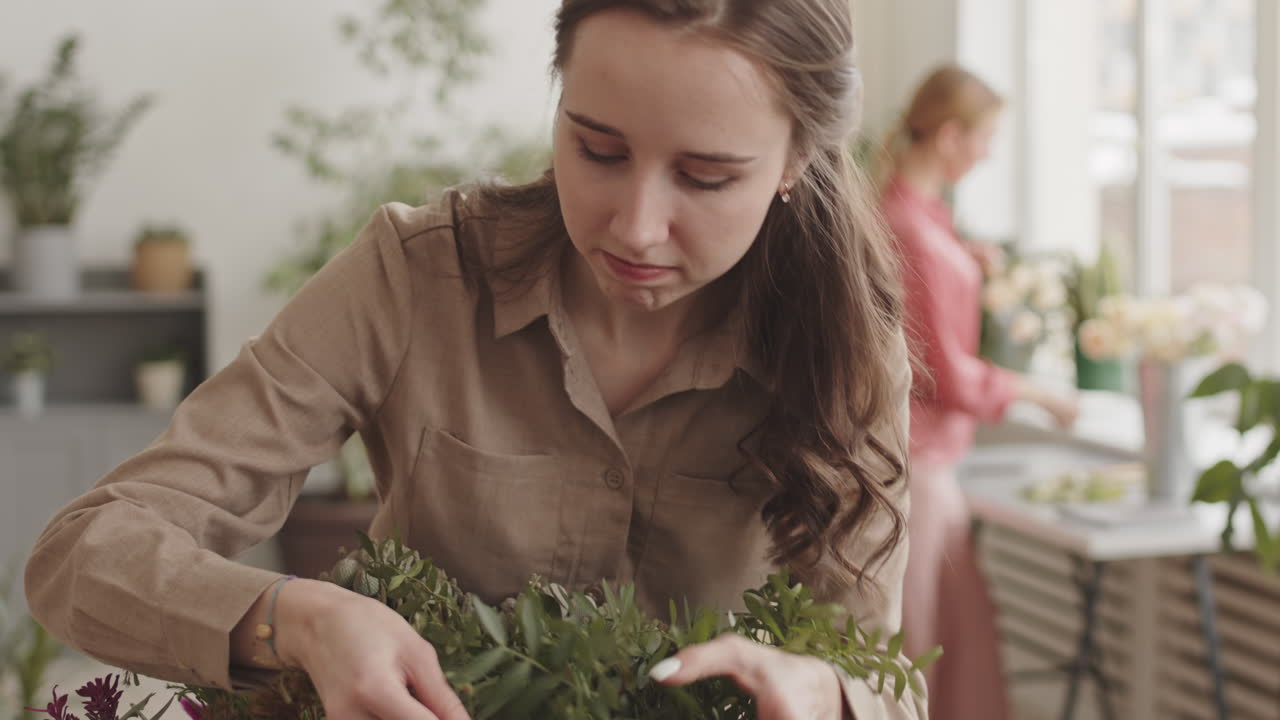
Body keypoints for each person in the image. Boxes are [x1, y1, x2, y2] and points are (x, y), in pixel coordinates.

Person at [26, 2, 925, 718]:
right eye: (598, 149)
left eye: (706, 176)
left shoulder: (842, 346)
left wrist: (824, 693)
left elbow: (874, 671)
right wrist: (298, 619)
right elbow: (84, 553)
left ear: (796, 159)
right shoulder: (416, 276)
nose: (638, 226)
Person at [878, 64, 1080, 720]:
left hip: (931, 462)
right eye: (985, 136)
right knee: (922, 646)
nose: (991, 152)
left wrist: (973, 260)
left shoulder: (918, 215)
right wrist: (1040, 394)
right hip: (918, 462)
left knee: (954, 641)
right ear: (948, 135)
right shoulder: (910, 230)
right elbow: (947, 374)